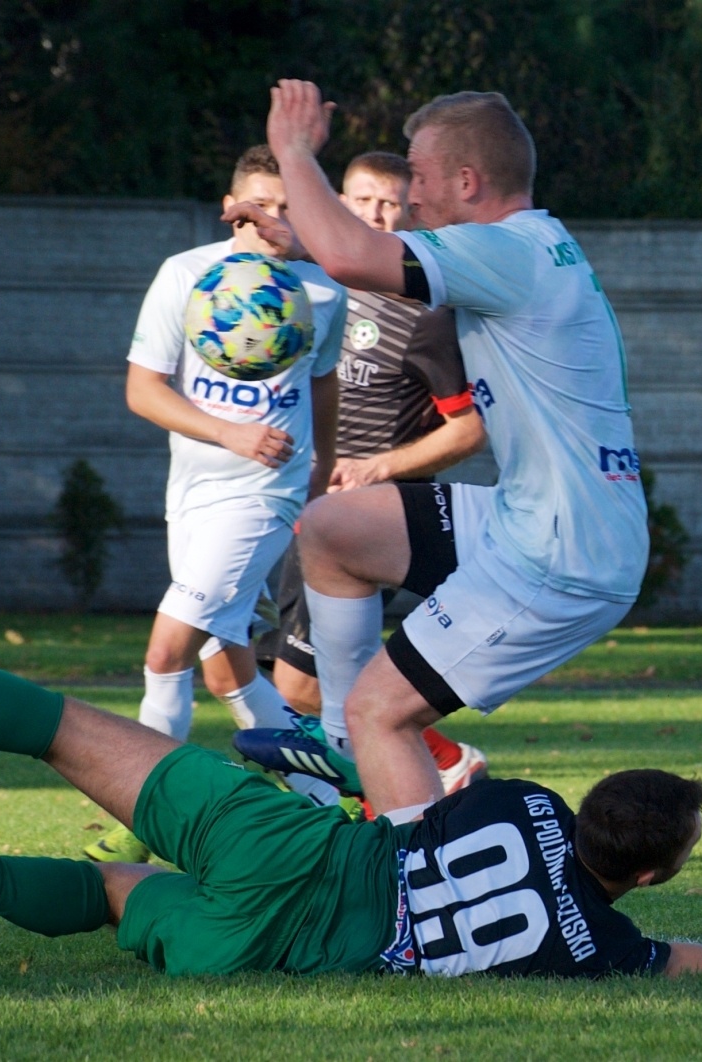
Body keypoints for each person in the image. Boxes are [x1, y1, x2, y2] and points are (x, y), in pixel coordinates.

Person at [0, 644, 702, 979]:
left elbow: (396, 808)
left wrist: (332, 766)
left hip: (284, 842)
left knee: (58, 727)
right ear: (649, 875)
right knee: (116, 893)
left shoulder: (518, 800)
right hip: (268, 949)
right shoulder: (600, 952)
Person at [225, 83, 648, 821]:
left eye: (418, 177)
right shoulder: (523, 249)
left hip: (563, 556)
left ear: (465, 182)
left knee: (383, 712)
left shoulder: (507, 250)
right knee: (335, 531)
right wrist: (301, 241)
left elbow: (357, 257)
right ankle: (346, 747)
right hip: (538, 519)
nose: (411, 197)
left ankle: (423, 912)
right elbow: (366, 262)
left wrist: (293, 151)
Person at [89, 144, 348, 863]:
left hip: (266, 494)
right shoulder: (185, 274)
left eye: (290, 207)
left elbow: (323, 385)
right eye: (263, 204)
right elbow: (143, 390)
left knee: (167, 648)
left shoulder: (322, 290)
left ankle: (141, 826)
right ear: (231, 206)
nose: (276, 221)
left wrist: (319, 468)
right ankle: (329, 797)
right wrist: (227, 432)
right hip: (195, 492)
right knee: (224, 667)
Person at [256, 150, 490, 796]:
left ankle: (426, 769)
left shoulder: (427, 313)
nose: (373, 214)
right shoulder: (314, 291)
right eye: (359, 201)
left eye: (388, 203)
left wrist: (377, 467)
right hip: (297, 502)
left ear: (409, 213)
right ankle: (422, 771)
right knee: (273, 665)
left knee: (301, 685)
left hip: (368, 518)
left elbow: (471, 428)